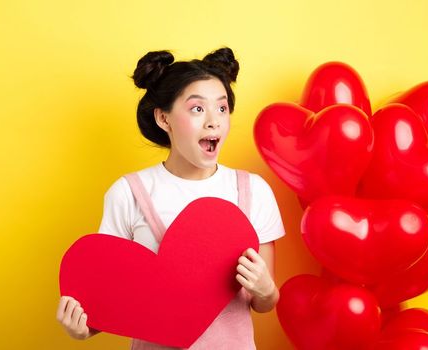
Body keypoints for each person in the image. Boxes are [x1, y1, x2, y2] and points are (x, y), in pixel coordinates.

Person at [55, 47, 286, 349]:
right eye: (197, 109)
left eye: (222, 108)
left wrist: (266, 289)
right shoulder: (129, 193)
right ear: (164, 118)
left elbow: (264, 303)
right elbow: (110, 301)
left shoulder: (253, 191)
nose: (214, 121)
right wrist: (83, 328)